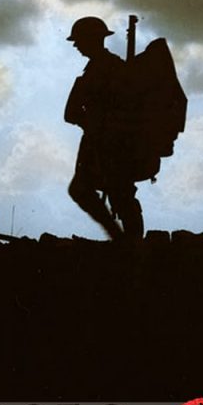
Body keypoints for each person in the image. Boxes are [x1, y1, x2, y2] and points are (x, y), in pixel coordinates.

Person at [64, 16, 144, 240]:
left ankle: (126, 240)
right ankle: (123, 238)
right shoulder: (101, 67)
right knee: (114, 191)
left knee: (118, 192)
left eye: (79, 40)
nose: (76, 45)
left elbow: (123, 106)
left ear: (92, 40)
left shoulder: (108, 68)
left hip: (111, 141)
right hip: (99, 139)